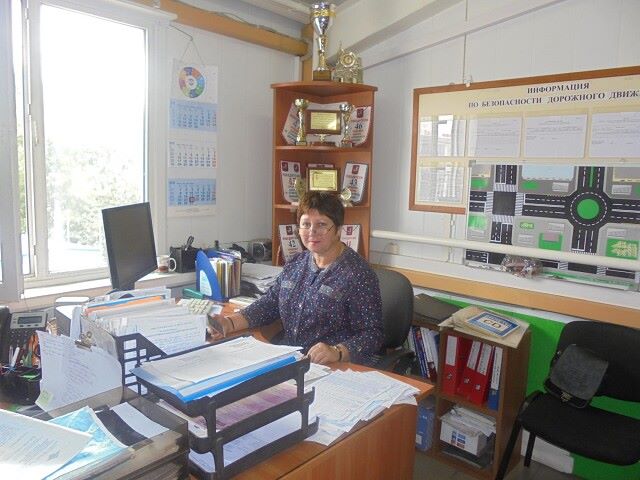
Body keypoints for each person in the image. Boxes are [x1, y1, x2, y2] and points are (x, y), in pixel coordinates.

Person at [211, 191, 384, 366]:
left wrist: (337, 352)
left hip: (332, 365)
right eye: (306, 224)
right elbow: (269, 304)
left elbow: (372, 335)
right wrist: (229, 323)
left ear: (338, 230)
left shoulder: (358, 274)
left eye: (322, 224)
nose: (312, 232)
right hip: (291, 357)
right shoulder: (296, 263)